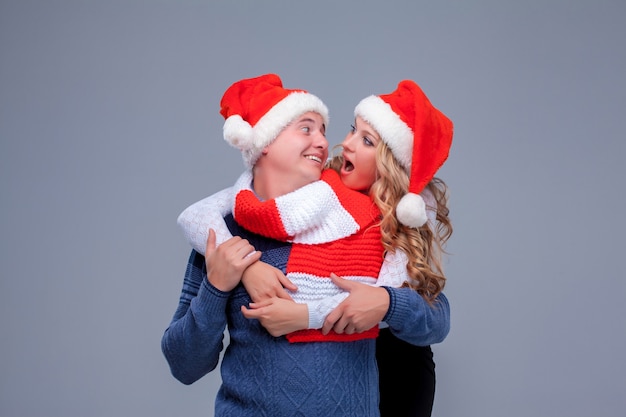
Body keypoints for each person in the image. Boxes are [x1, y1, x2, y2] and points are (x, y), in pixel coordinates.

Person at [176, 78, 454, 416]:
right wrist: (221, 283)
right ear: (265, 141)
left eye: (323, 130)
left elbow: (435, 317)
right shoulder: (221, 235)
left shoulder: (368, 222)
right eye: (306, 129)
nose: (326, 142)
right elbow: (184, 365)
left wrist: (386, 301)